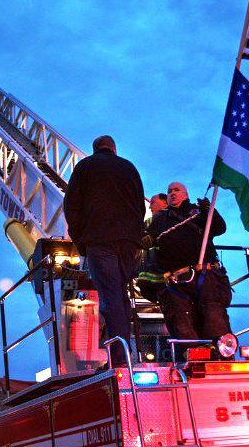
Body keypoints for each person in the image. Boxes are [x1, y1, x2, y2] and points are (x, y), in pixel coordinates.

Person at [64, 135, 145, 366]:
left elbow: (72, 207)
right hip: (128, 243)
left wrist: (82, 242)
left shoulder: (85, 167)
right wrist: (134, 236)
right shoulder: (129, 168)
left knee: (110, 298)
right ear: (114, 148)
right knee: (120, 294)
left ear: (95, 148)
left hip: (100, 242)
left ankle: (120, 358)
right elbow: (140, 206)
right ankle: (127, 350)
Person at [147, 182, 232, 341]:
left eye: (176, 190)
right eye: (169, 191)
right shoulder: (159, 220)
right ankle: (191, 356)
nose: (172, 193)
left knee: (214, 318)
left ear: (185, 194)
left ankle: (220, 355)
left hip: (206, 275)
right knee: (182, 325)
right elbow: (147, 240)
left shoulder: (198, 212)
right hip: (177, 281)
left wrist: (210, 212)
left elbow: (219, 228)